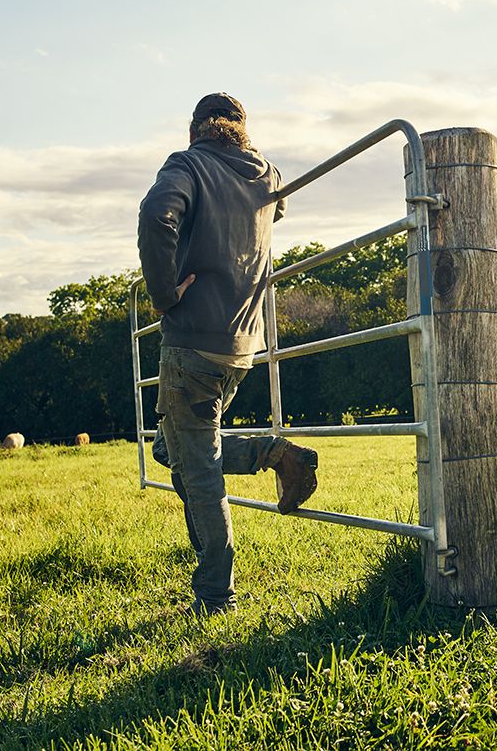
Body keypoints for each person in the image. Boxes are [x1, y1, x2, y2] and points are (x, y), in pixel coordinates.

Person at [138, 92, 318, 616]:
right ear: (242, 130)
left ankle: (216, 597)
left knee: (197, 471)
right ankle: (276, 456)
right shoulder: (266, 172)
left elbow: (156, 215)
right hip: (242, 345)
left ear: (194, 130)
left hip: (192, 340)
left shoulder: (187, 164)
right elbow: (278, 206)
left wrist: (165, 293)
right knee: (174, 452)